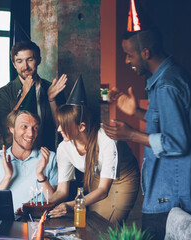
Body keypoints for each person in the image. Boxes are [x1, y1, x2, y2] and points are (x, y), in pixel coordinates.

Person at [102, 27, 191, 238]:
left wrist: (130, 134)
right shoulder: (171, 76)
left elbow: (178, 142)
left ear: (146, 53)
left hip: (171, 194)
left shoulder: (166, 85)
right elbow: (173, 123)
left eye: (129, 54)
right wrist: (136, 111)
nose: (126, 60)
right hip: (174, 189)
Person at [46, 77, 140, 224]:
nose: (58, 129)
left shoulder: (106, 140)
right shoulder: (64, 148)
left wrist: (70, 205)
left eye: (63, 125)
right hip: (98, 177)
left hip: (123, 178)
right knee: (91, 222)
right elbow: (62, 191)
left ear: (81, 127)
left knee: (106, 227)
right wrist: (43, 205)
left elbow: (103, 190)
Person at [0, 110, 58, 212]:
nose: (31, 133)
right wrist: (7, 177)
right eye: (24, 126)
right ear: (11, 129)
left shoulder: (49, 158)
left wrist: (41, 175)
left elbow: (54, 200)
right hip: (4, 223)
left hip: (40, 222)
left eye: (35, 128)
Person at [0, 41, 66, 151]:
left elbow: (63, 128)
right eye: (19, 61)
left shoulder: (53, 89)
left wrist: (51, 100)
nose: (25, 66)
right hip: (17, 158)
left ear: (39, 60)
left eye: (30, 60)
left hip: (46, 154)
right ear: (14, 64)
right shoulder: (3, 94)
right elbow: (6, 130)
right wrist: (24, 96)